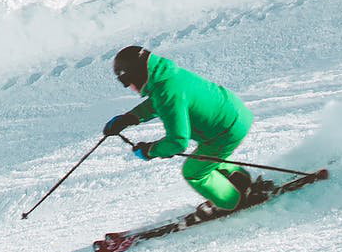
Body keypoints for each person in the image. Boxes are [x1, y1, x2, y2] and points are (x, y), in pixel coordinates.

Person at [103, 45, 254, 213]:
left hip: (225, 130)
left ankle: (232, 202)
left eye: (127, 82)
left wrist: (150, 151)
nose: (129, 87)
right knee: (204, 160)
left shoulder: (167, 92)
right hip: (234, 113)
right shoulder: (167, 76)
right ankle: (240, 180)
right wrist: (130, 117)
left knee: (193, 171)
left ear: (137, 75)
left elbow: (178, 141)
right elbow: (160, 102)